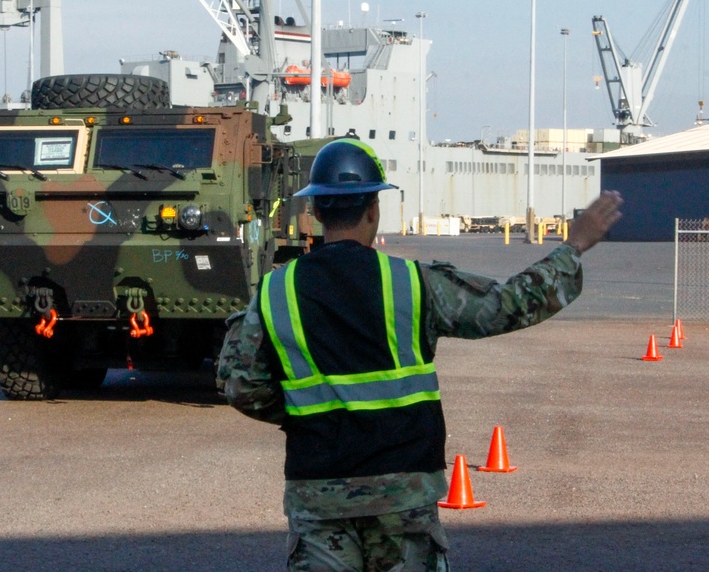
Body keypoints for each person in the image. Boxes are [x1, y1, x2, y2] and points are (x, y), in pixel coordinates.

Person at [216, 138, 623, 572]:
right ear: (374, 208)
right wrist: (572, 247)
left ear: (314, 211)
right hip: (404, 495)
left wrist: (303, 414)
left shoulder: (276, 291)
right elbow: (508, 305)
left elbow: (239, 384)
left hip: (319, 496)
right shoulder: (412, 283)